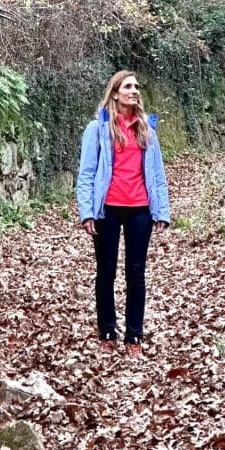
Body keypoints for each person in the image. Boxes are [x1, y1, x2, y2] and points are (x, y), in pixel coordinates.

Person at [76, 70, 170, 357]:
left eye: (136, 86)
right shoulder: (98, 129)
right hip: (108, 210)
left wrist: (162, 211)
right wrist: (87, 211)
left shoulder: (146, 130)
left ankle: (133, 337)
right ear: (115, 93)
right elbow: (87, 174)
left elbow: (157, 175)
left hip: (140, 210)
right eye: (128, 86)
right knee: (105, 272)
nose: (134, 90)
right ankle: (106, 331)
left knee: (136, 273)